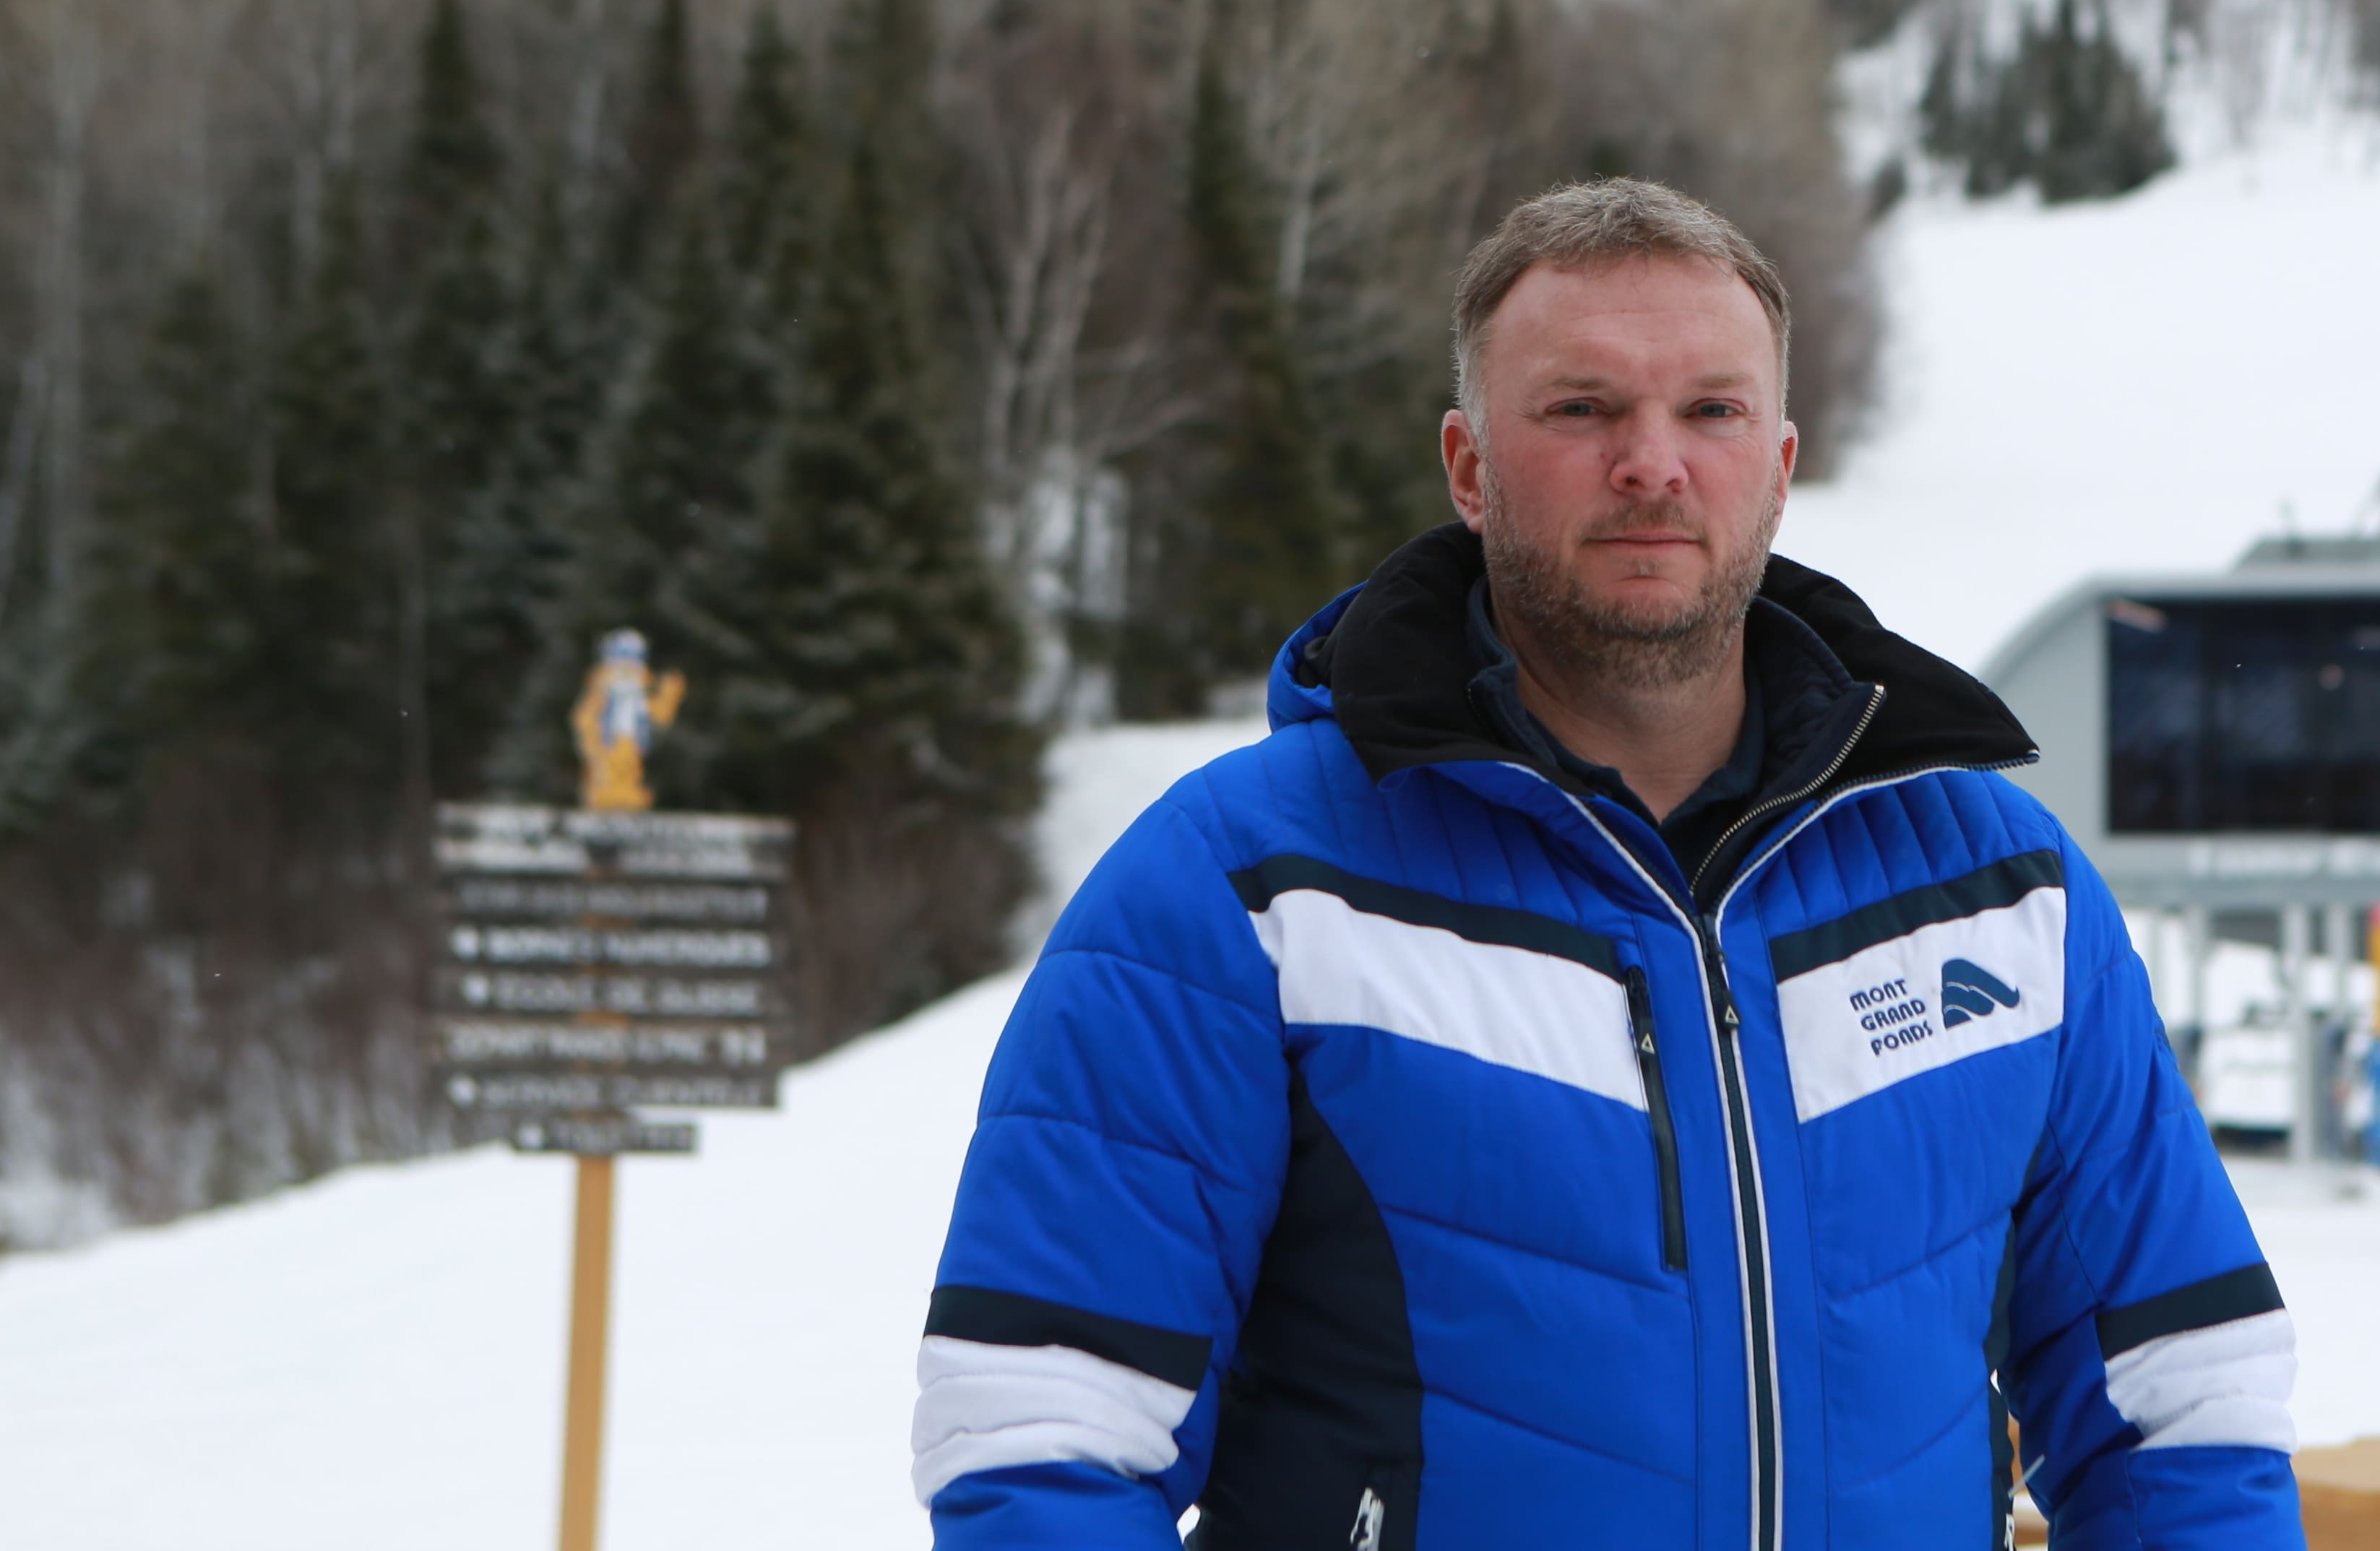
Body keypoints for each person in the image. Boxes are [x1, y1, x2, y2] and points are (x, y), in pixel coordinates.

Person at [913, 180, 2302, 1550]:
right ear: (1468, 465)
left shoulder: (1999, 891)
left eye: (1712, 409)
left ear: (1779, 461)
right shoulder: (1246, 891)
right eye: (1582, 409)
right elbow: (1047, 1429)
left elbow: (2183, 1409)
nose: (1654, 462)